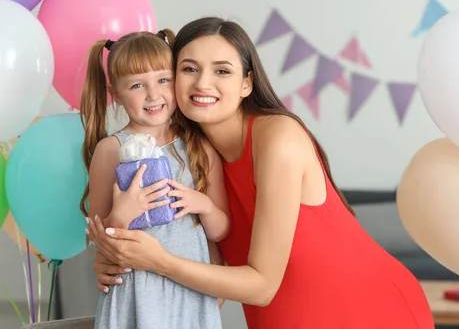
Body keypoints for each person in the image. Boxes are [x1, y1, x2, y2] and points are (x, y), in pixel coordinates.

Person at [87, 17, 435, 328]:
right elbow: (200, 256)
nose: (202, 83)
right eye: (189, 69)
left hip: (369, 314)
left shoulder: (277, 139)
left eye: (222, 71)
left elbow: (263, 286)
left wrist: (158, 262)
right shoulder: (189, 157)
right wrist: (112, 259)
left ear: (246, 84)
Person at [80, 29, 229, 329]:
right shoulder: (111, 150)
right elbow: (100, 241)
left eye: (163, 80)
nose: (153, 94)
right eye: (137, 85)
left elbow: (221, 231)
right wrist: (121, 215)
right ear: (116, 94)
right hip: (135, 296)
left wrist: (204, 205)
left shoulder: (200, 147)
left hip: (191, 291)